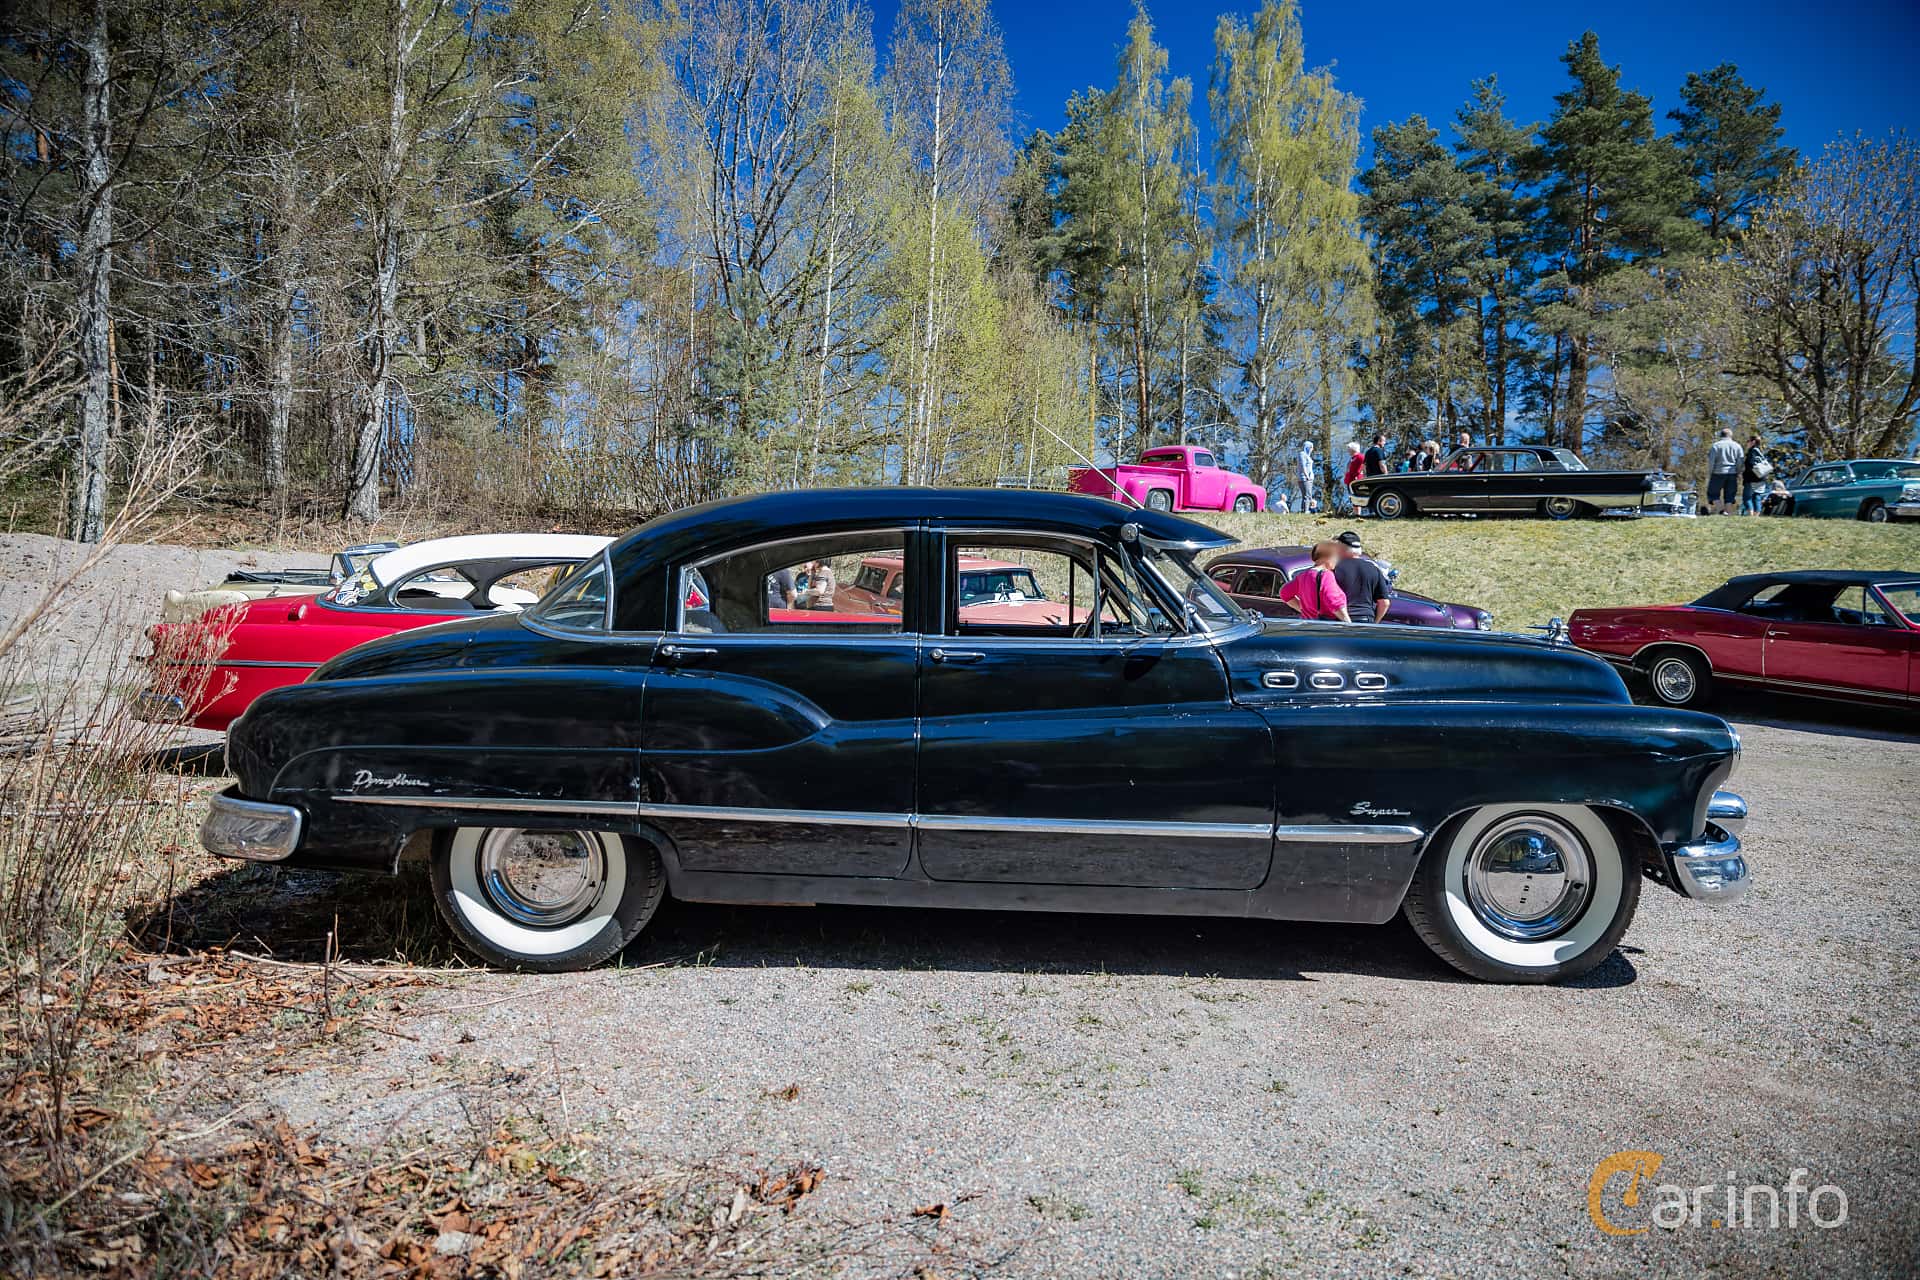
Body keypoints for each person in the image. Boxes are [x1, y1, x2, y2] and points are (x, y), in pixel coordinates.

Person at [1275, 541, 1351, 622]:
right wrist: (1348, 624)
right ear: (1328, 557)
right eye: (1336, 557)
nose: (1337, 561)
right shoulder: (1326, 575)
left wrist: (1303, 609)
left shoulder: (1303, 576)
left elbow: (1284, 593)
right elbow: (1333, 601)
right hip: (1328, 629)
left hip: (1308, 625)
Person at [1331, 530, 1391, 624]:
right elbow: (1384, 603)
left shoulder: (1334, 568)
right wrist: (1375, 623)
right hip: (1366, 619)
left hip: (1341, 619)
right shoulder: (1374, 569)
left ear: (1341, 548)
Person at [1706, 427, 1743, 515]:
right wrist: (1738, 472)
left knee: (1713, 494)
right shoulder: (1737, 446)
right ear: (1731, 436)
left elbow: (1711, 461)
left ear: (1721, 435)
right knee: (1729, 497)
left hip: (1718, 473)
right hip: (1732, 473)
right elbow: (1740, 461)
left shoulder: (1716, 446)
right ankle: (1728, 515)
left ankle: (1721, 510)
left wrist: (1710, 472)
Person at [1742, 436, 1772, 516]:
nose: (1747, 443)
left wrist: (1745, 472)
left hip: (1752, 478)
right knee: (1757, 497)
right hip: (1762, 478)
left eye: (1748, 441)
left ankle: (1751, 515)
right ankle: (1756, 516)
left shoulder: (1752, 451)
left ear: (1753, 442)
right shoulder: (1760, 452)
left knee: (1747, 497)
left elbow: (1751, 464)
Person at [1340, 442, 1365, 515]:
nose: (1348, 450)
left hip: (1355, 480)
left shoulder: (1360, 456)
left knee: (1355, 496)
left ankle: (1358, 513)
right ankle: (1355, 512)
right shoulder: (1353, 458)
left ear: (1353, 449)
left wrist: (1359, 473)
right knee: (1352, 496)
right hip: (1350, 480)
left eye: (1349, 449)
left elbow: (1364, 465)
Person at [1295, 439, 1316, 514]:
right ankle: (1306, 510)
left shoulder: (1307, 455)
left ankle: (1304, 509)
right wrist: (1307, 476)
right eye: (1311, 447)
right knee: (1307, 495)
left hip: (1309, 478)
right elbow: (1303, 466)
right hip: (1304, 478)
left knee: (1307, 495)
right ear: (1308, 447)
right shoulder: (1302, 454)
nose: (1312, 449)